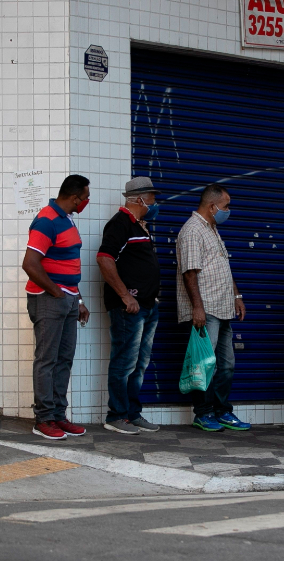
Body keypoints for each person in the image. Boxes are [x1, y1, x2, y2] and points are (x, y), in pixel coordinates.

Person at [22, 174, 91, 441]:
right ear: (74, 197)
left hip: (69, 298)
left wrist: (79, 300)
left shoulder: (67, 220)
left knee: (64, 360)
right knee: (47, 360)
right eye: (84, 197)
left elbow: (69, 265)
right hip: (49, 299)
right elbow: (30, 264)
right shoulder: (46, 220)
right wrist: (56, 293)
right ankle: (43, 419)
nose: (85, 202)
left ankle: (59, 416)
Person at [176, 185, 251, 432]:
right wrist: (197, 308)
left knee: (226, 364)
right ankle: (204, 413)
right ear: (212, 206)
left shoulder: (212, 229)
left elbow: (222, 267)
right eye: (226, 206)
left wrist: (236, 295)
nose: (228, 210)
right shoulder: (192, 231)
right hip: (205, 309)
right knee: (205, 364)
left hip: (223, 307)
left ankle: (222, 411)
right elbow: (189, 274)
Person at [96, 177, 163, 435]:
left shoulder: (141, 226)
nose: (155, 204)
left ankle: (133, 414)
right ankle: (116, 415)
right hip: (129, 309)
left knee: (139, 364)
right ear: (139, 199)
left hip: (147, 306)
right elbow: (104, 259)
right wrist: (125, 296)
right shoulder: (120, 224)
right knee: (124, 362)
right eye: (152, 199)